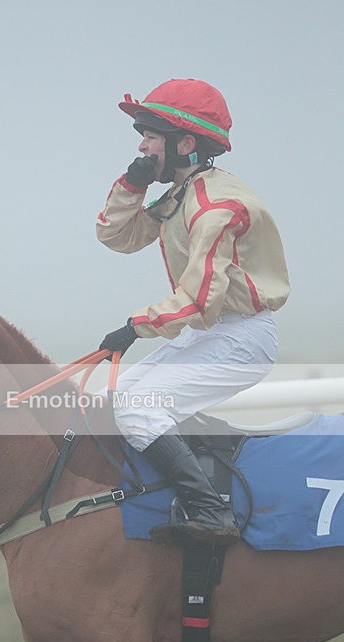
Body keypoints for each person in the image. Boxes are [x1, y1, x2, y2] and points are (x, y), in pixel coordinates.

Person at [96, 78, 290, 544]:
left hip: (240, 338)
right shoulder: (183, 191)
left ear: (186, 143)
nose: (141, 144)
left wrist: (134, 327)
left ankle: (210, 512)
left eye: (150, 135)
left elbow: (200, 301)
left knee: (138, 408)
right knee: (112, 400)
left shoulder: (216, 205)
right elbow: (116, 237)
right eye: (141, 134)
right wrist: (131, 185)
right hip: (208, 331)